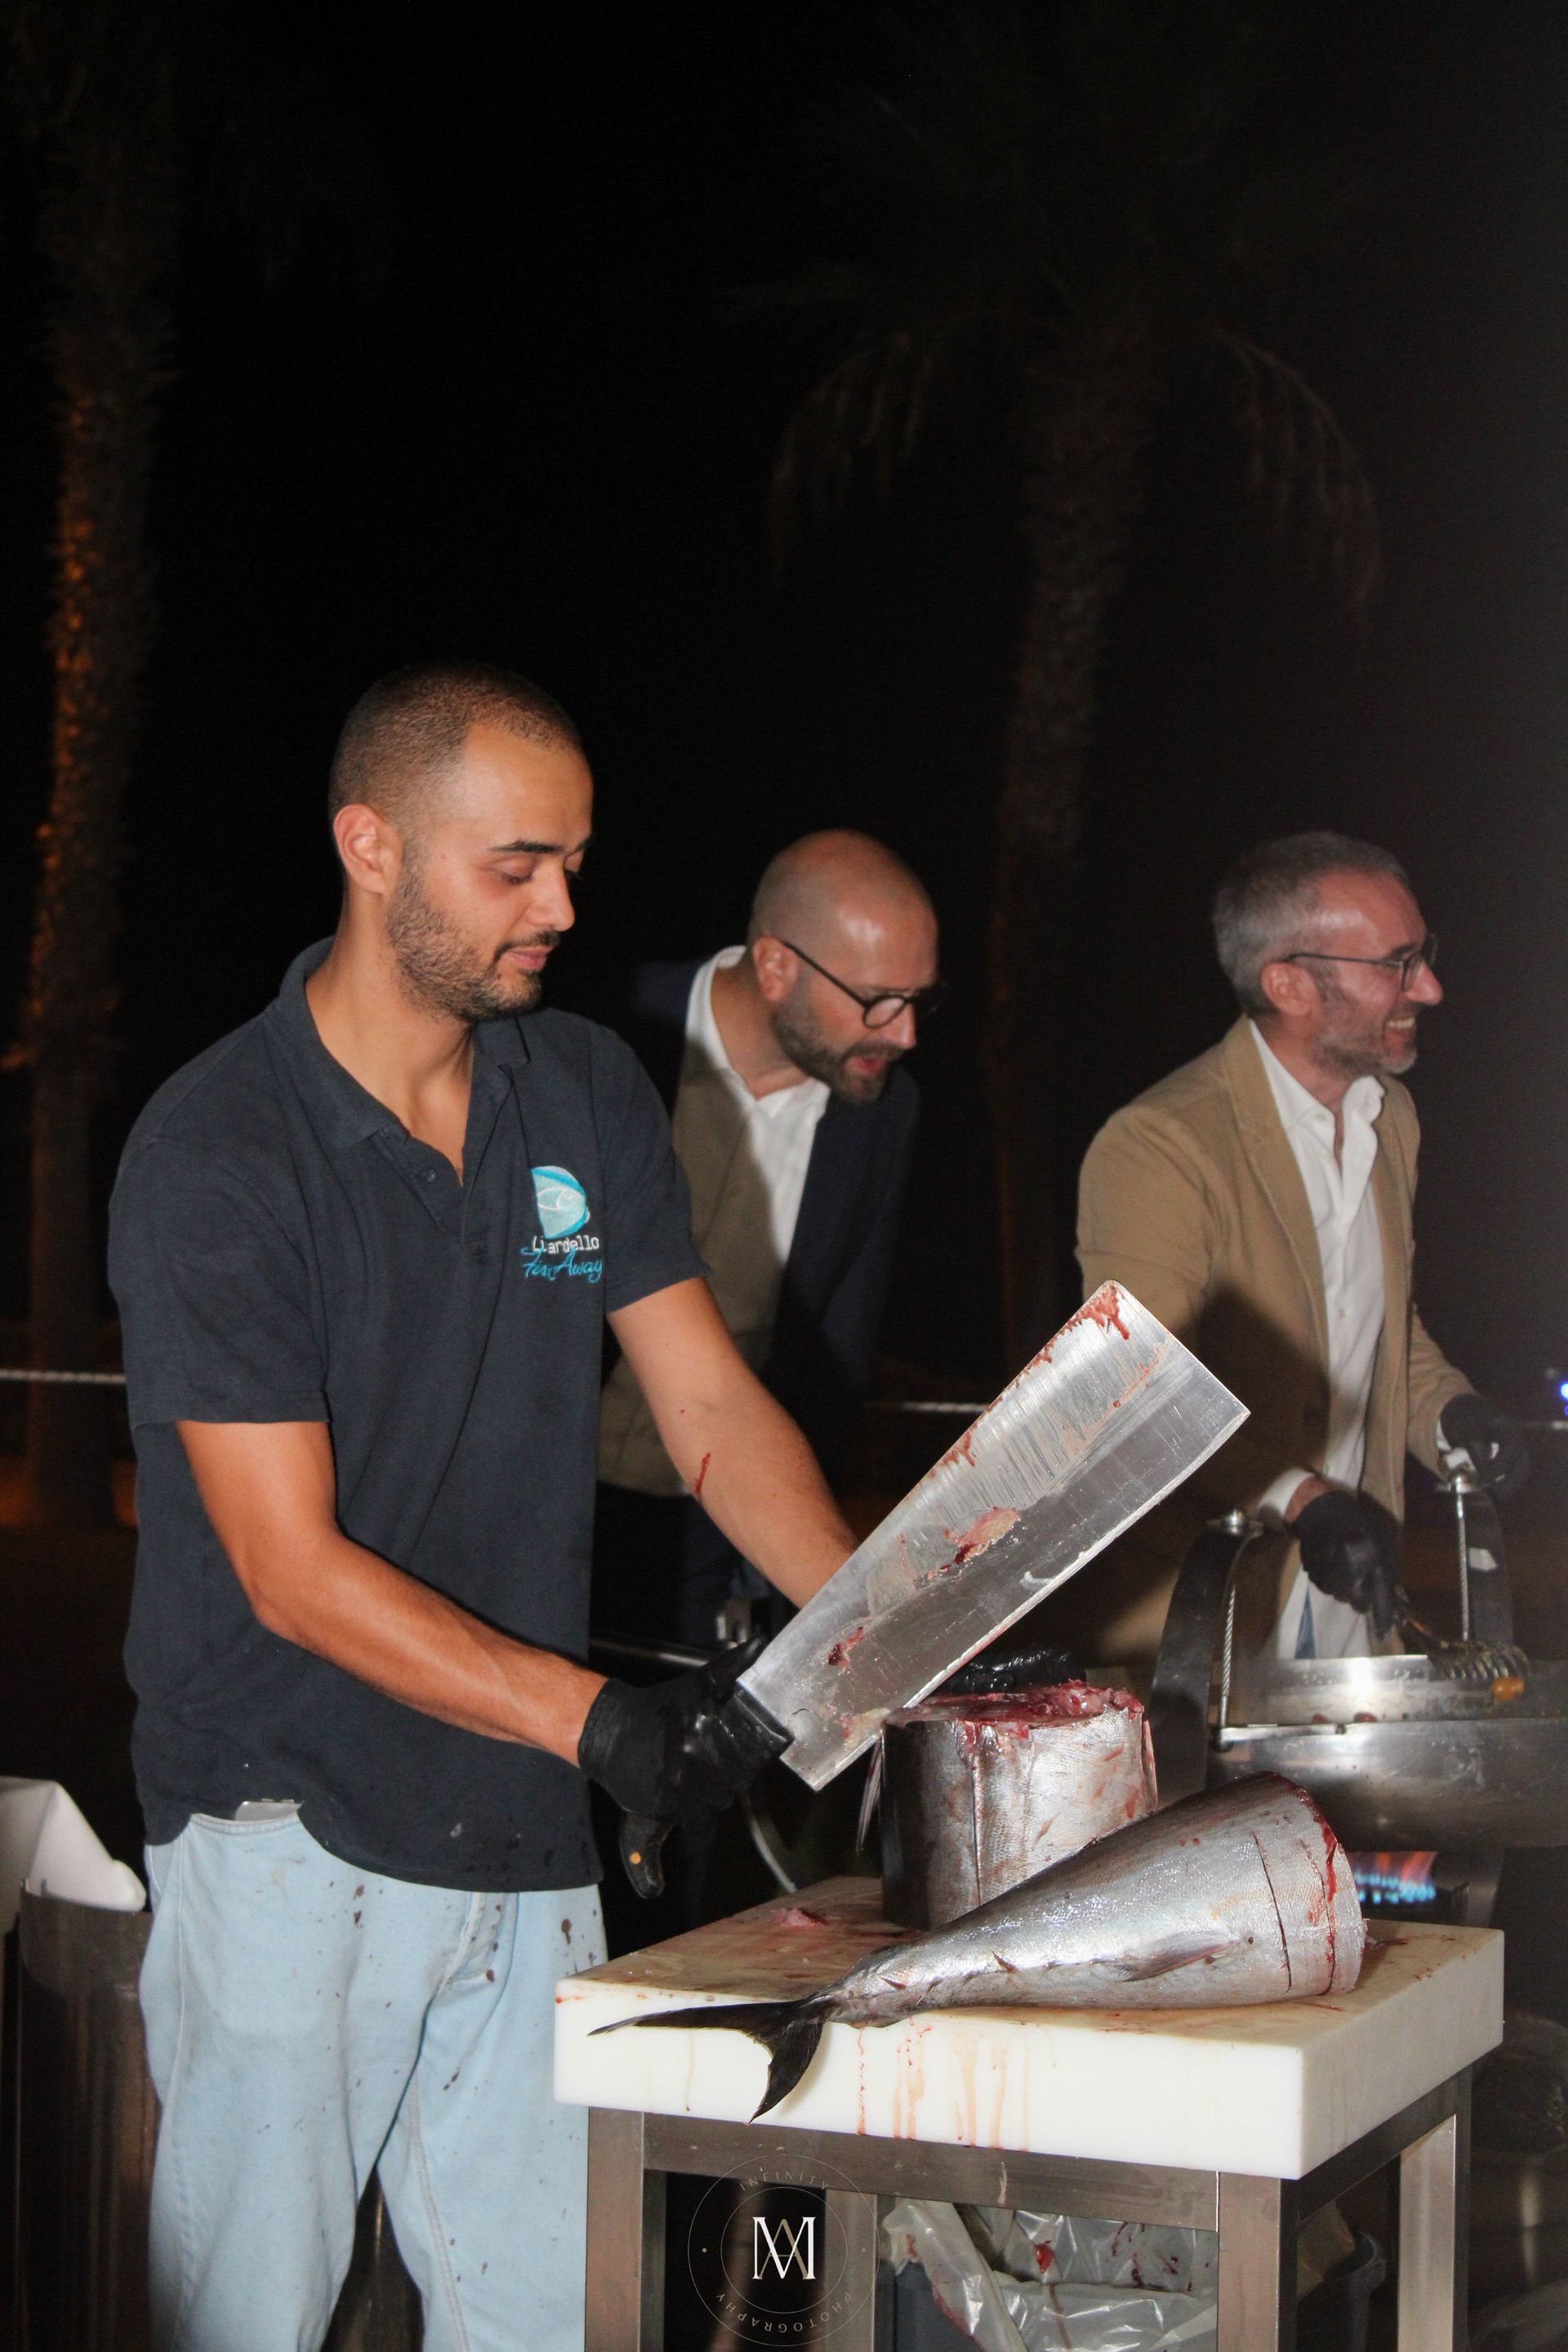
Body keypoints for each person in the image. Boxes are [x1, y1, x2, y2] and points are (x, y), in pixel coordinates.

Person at [106, 662, 860, 2352]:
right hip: (284, 1831)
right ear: (369, 845)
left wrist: (891, 1631)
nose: (562, 907)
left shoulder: (581, 1088)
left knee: (549, 2325)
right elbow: (288, 1570)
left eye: (573, 862)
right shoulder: (220, 1150)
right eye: (514, 865)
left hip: (525, 1834)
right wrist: (599, 1721)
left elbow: (710, 1411)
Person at [1072, 831, 1526, 1663]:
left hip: (1353, 1612)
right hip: (1205, 1617)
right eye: (1396, 964)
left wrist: (1450, 1413)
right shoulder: (1160, 1144)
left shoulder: (1390, 1119)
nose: (1429, 987)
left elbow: (1380, 1323)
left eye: (1423, 955)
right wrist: (1302, 1500)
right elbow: (1136, 1398)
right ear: (1288, 984)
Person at [595, 831, 939, 1661]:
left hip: (716, 1538)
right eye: (878, 1000)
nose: (905, 1035)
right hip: (541, 1507)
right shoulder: (608, 1029)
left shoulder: (883, 1114)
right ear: (776, 966)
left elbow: (836, 1352)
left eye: (920, 1000)